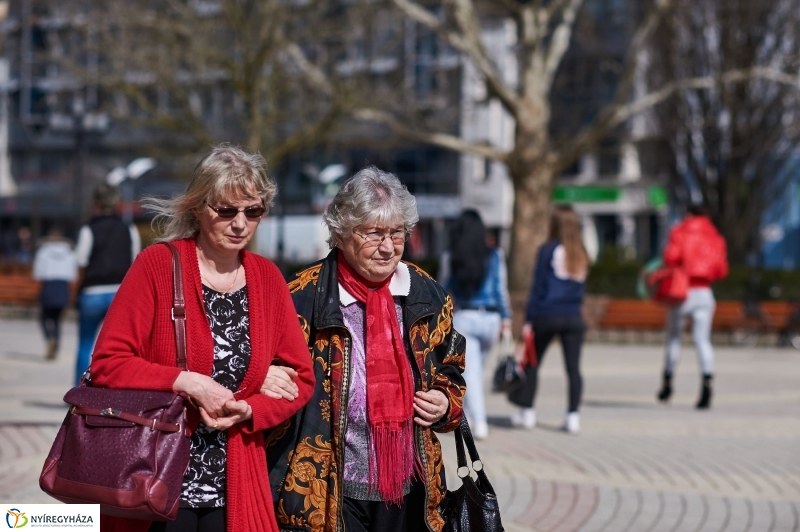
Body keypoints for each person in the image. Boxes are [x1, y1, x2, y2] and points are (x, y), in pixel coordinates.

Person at [88, 145, 316, 532]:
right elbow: (108, 363)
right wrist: (187, 382)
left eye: (253, 211)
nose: (240, 223)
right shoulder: (157, 265)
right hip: (155, 477)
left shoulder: (267, 278)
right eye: (226, 210)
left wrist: (252, 408)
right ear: (198, 207)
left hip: (236, 482)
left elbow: (302, 377)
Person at [266, 166, 466, 532]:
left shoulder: (427, 294)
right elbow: (265, 373)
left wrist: (444, 401)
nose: (388, 247)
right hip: (325, 488)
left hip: (412, 484)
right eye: (374, 233)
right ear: (341, 233)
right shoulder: (300, 297)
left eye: (397, 233)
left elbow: (451, 368)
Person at [508, 205, 589, 434]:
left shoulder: (547, 249)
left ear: (554, 223)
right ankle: (573, 417)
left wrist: (528, 320)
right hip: (574, 316)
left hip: (547, 314)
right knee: (573, 369)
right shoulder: (581, 252)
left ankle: (528, 412)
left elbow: (538, 288)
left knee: (532, 362)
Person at [439, 210, 511, 440]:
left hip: (465, 318)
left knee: (472, 374)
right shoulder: (495, 255)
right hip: (491, 319)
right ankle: (471, 416)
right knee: (475, 372)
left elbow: (441, 291)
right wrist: (507, 319)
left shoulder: (451, 257)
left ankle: (478, 422)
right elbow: (501, 290)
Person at [656, 204, 728, 409]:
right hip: (704, 291)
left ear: (688, 214)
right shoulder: (716, 236)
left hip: (682, 290)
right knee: (703, 340)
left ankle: (668, 381)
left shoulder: (679, 232)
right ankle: (706, 383)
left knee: (674, 339)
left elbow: (669, 257)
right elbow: (721, 270)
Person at [73, 183, 142, 386]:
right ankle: (116, 387)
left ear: (95, 203)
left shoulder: (89, 229)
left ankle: (80, 390)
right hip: (119, 293)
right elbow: (135, 261)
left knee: (85, 343)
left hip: (92, 292)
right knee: (119, 347)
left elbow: (80, 261)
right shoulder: (128, 229)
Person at [32, 227, 77, 360]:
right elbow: (73, 274)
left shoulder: (43, 251)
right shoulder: (69, 252)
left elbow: (37, 273)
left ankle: (49, 338)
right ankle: (55, 343)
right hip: (63, 286)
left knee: (44, 317)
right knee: (57, 320)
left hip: (49, 284)